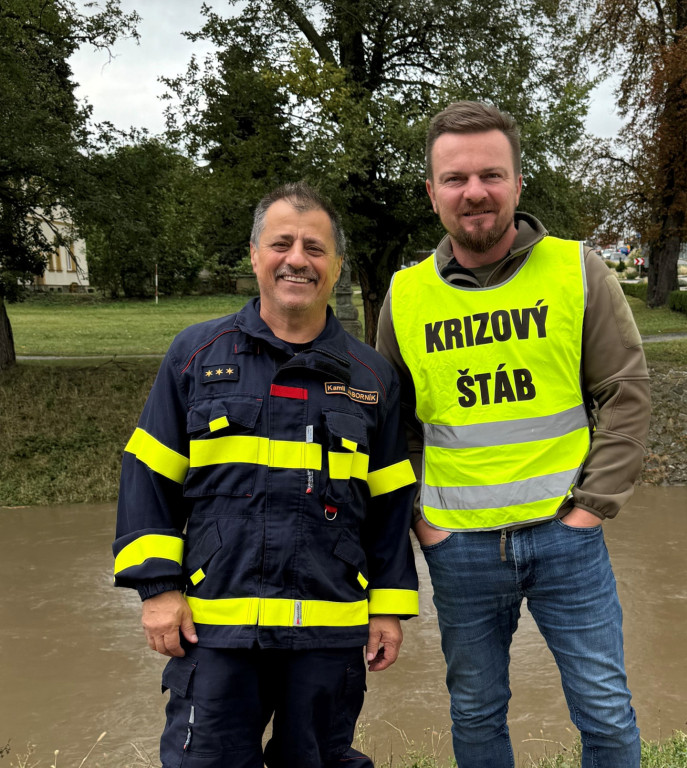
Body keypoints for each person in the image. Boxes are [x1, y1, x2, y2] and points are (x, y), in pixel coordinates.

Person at [376, 101, 651, 767]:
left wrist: (591, 510)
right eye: (456, 178)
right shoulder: (405, 296)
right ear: (432, 193)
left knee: (607, 714)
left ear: (518, 184)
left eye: (491, 175)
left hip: (568, 541)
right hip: (459, 547)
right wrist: (422, 522)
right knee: (475, 713)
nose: (475, 192)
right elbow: (385, 429)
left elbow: (626, 393)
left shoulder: (575, 269)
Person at [113, 181, 419, 768]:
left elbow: (388, 504)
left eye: (315, 247)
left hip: (328, 635)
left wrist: (388, 608)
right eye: (281, 243)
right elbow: (148, 476)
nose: (297, 259)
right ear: (255, 255)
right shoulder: (196, 355)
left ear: (336, 266)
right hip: (216, 634)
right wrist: (158, 590)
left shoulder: (371, 376)